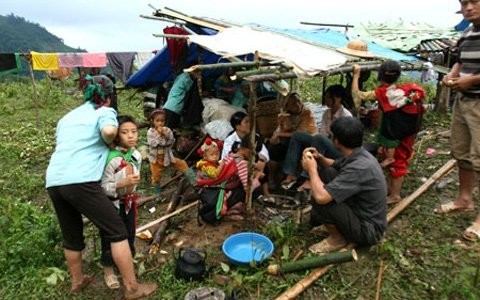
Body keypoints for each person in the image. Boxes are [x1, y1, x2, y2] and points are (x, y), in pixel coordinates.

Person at [45, 75, 157, 298]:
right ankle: (133, 288)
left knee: (72, 234)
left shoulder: (67, 117)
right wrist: (110, 138)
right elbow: (107, 131)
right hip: (80, 181)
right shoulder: (104, 110)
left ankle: (77, 282)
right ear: (108, 96)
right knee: (117, 231)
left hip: (54, 181)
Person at [301, 116, 387, 254]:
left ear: (337, 141)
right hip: (361, 213)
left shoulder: (359, 167)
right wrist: (320, 158)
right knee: (328, 172)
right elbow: (335, 164)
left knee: (319, 197)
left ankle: (337, 239)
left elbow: (321, 197)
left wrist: (311, 170)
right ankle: (338, 226)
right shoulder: (359, 154)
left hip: (368, 231)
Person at [434, 0, 480, 242]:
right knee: (462, 152)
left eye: (474, 1)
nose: (469, 7)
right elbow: (460, 61)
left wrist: (470, 81)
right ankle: (464, 199)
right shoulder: (467, 33)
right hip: (463, 101)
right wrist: (452, 75)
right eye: (464, 3)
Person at [352, 61, 424, 204]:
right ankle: (391, 189)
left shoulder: (382, 93)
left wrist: (356, 76)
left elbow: (357, 96)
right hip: (406, 132)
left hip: (395, 134)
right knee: (396, 160)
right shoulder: (405, 92)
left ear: (380, 76)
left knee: (397, 163)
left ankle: (395, 195)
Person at [281, 85, 352, 189]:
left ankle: (308, 177)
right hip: (327, 143)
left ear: (337, 98)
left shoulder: (346, 116)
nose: (326, 100)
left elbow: (345, 143)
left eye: (328, 97)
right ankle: (290, 173)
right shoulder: (327, 113)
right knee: (298, 136)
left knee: (319, 139)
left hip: (340, 151)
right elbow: (323, 133)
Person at [100, 115, 141, 290]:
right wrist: (121, 184)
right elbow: (102, 187)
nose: (131, 136)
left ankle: (126, 263)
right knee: (109, 237)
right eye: (125, 132)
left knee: (130, 232)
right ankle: (108, 269)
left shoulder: (137, 155)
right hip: (112, 204)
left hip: (129, 203)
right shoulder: (111, 159)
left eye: (134, 132)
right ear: (116, 136)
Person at [269, 92, 318, 187]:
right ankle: (271, 179)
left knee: (296, 138)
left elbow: (299, 134)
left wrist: (280, 133)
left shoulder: (306, 113)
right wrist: (282, 125)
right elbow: (274, 138)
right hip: (291, 143)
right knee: (274, 150)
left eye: (298, 101)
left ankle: (290, 173)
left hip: (308, 142)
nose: (298, 105)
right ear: (287, 107)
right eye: (293, 104)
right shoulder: (286, 115)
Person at [222, 111, 271, 197]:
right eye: (246, 122)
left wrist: (261, 160)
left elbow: (264, 151)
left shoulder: (254, 136)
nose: (250, 124)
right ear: (237, 126)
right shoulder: (230, 140)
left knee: (263, 164)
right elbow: (226, 159)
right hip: (236, 169)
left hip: (250, 161)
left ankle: (266, 192)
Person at [147, 109, 188, 188]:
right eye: (157, 121)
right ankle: (156, 195)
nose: (160, 123)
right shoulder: (150, 132)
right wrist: (160, 135)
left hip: (167, 157)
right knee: (156, 178)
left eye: (162, 121)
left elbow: (171, 142)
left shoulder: (168, 130)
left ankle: (195, 181)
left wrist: (166, 136)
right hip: (155, 159)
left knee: (182, 164)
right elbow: (153, 144)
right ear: (152, 121)